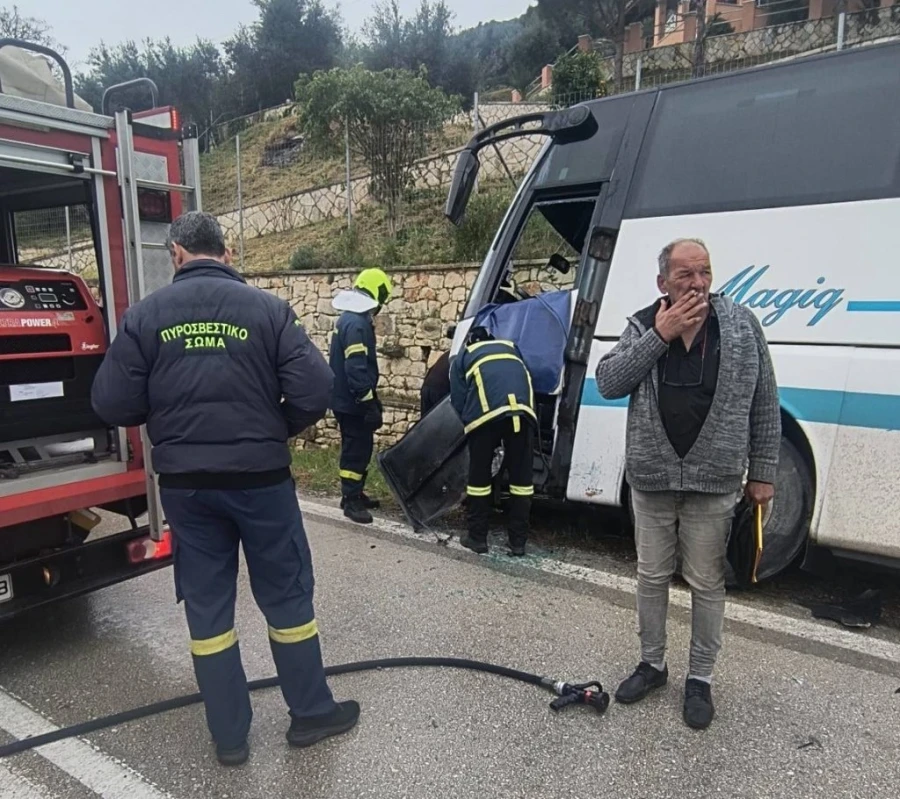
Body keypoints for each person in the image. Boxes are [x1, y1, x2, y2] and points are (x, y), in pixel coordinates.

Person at [90, 211, 359, 766]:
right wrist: (272, 430)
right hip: (262, 483)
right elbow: (316, 389)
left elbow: (112, 402)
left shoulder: (145, 317)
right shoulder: (268, 310)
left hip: (188, 489)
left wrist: (168, 421)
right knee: (286, 596)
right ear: (227, 253)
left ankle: (230, 736)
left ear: (176, 254)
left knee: (208, 608)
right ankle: (311, 714)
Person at [595, 237, 780, 730]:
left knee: (706, 582)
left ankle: (700, 679)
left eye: (705, 272)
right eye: (685, 275)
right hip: (652, 479)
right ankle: (652, 666)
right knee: (651, 576)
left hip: (714, 481)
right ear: (663, 282)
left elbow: (765, 400)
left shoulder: (741, 326)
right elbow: (609, 382)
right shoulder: (643, 324)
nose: (698, 283)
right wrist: (661, 334)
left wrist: (763, 471)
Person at [449, 326, 537, 557]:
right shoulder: (510, 347)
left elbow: (458, 399)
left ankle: (477, 538)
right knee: (521, 480)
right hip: (524, 412)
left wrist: (469, 427)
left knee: (479, 478)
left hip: (486, 416)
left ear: (469, 342)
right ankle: (518, 542)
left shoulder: (464, 356)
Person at [329, 268, 393, 525]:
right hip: (352, 401)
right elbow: (355, 367)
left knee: (360, 446)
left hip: (347, 398)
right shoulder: (356, 323)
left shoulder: (350, 318)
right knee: (356, 449)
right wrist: (368, 402)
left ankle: (356, 492)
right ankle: (350, 500)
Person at [420, 350, 451, 417]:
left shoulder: (449, 354)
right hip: (439, 390)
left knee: (425, 419)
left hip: (427, 386)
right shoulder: (460, 356)